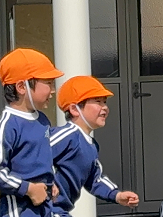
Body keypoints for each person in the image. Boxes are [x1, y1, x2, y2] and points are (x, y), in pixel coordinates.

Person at [51, 76, 139, 216]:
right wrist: (40, 183)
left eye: (105, 102)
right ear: (74, 109)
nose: (105, 107)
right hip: (44, 210)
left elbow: (94, 179)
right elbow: (33, 154)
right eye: (98, 101)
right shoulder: (67, 136)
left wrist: (116, 195)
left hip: (60, 210)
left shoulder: (91, 146)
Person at [0, 48, 64, 217]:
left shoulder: (42, 120)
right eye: (48, 83)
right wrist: (28, 188)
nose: (53, 90)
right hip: (18, 209)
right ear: (22, 87)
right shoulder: (8, 125)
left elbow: (42, 159)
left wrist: (51, 182)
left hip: (44, 206)